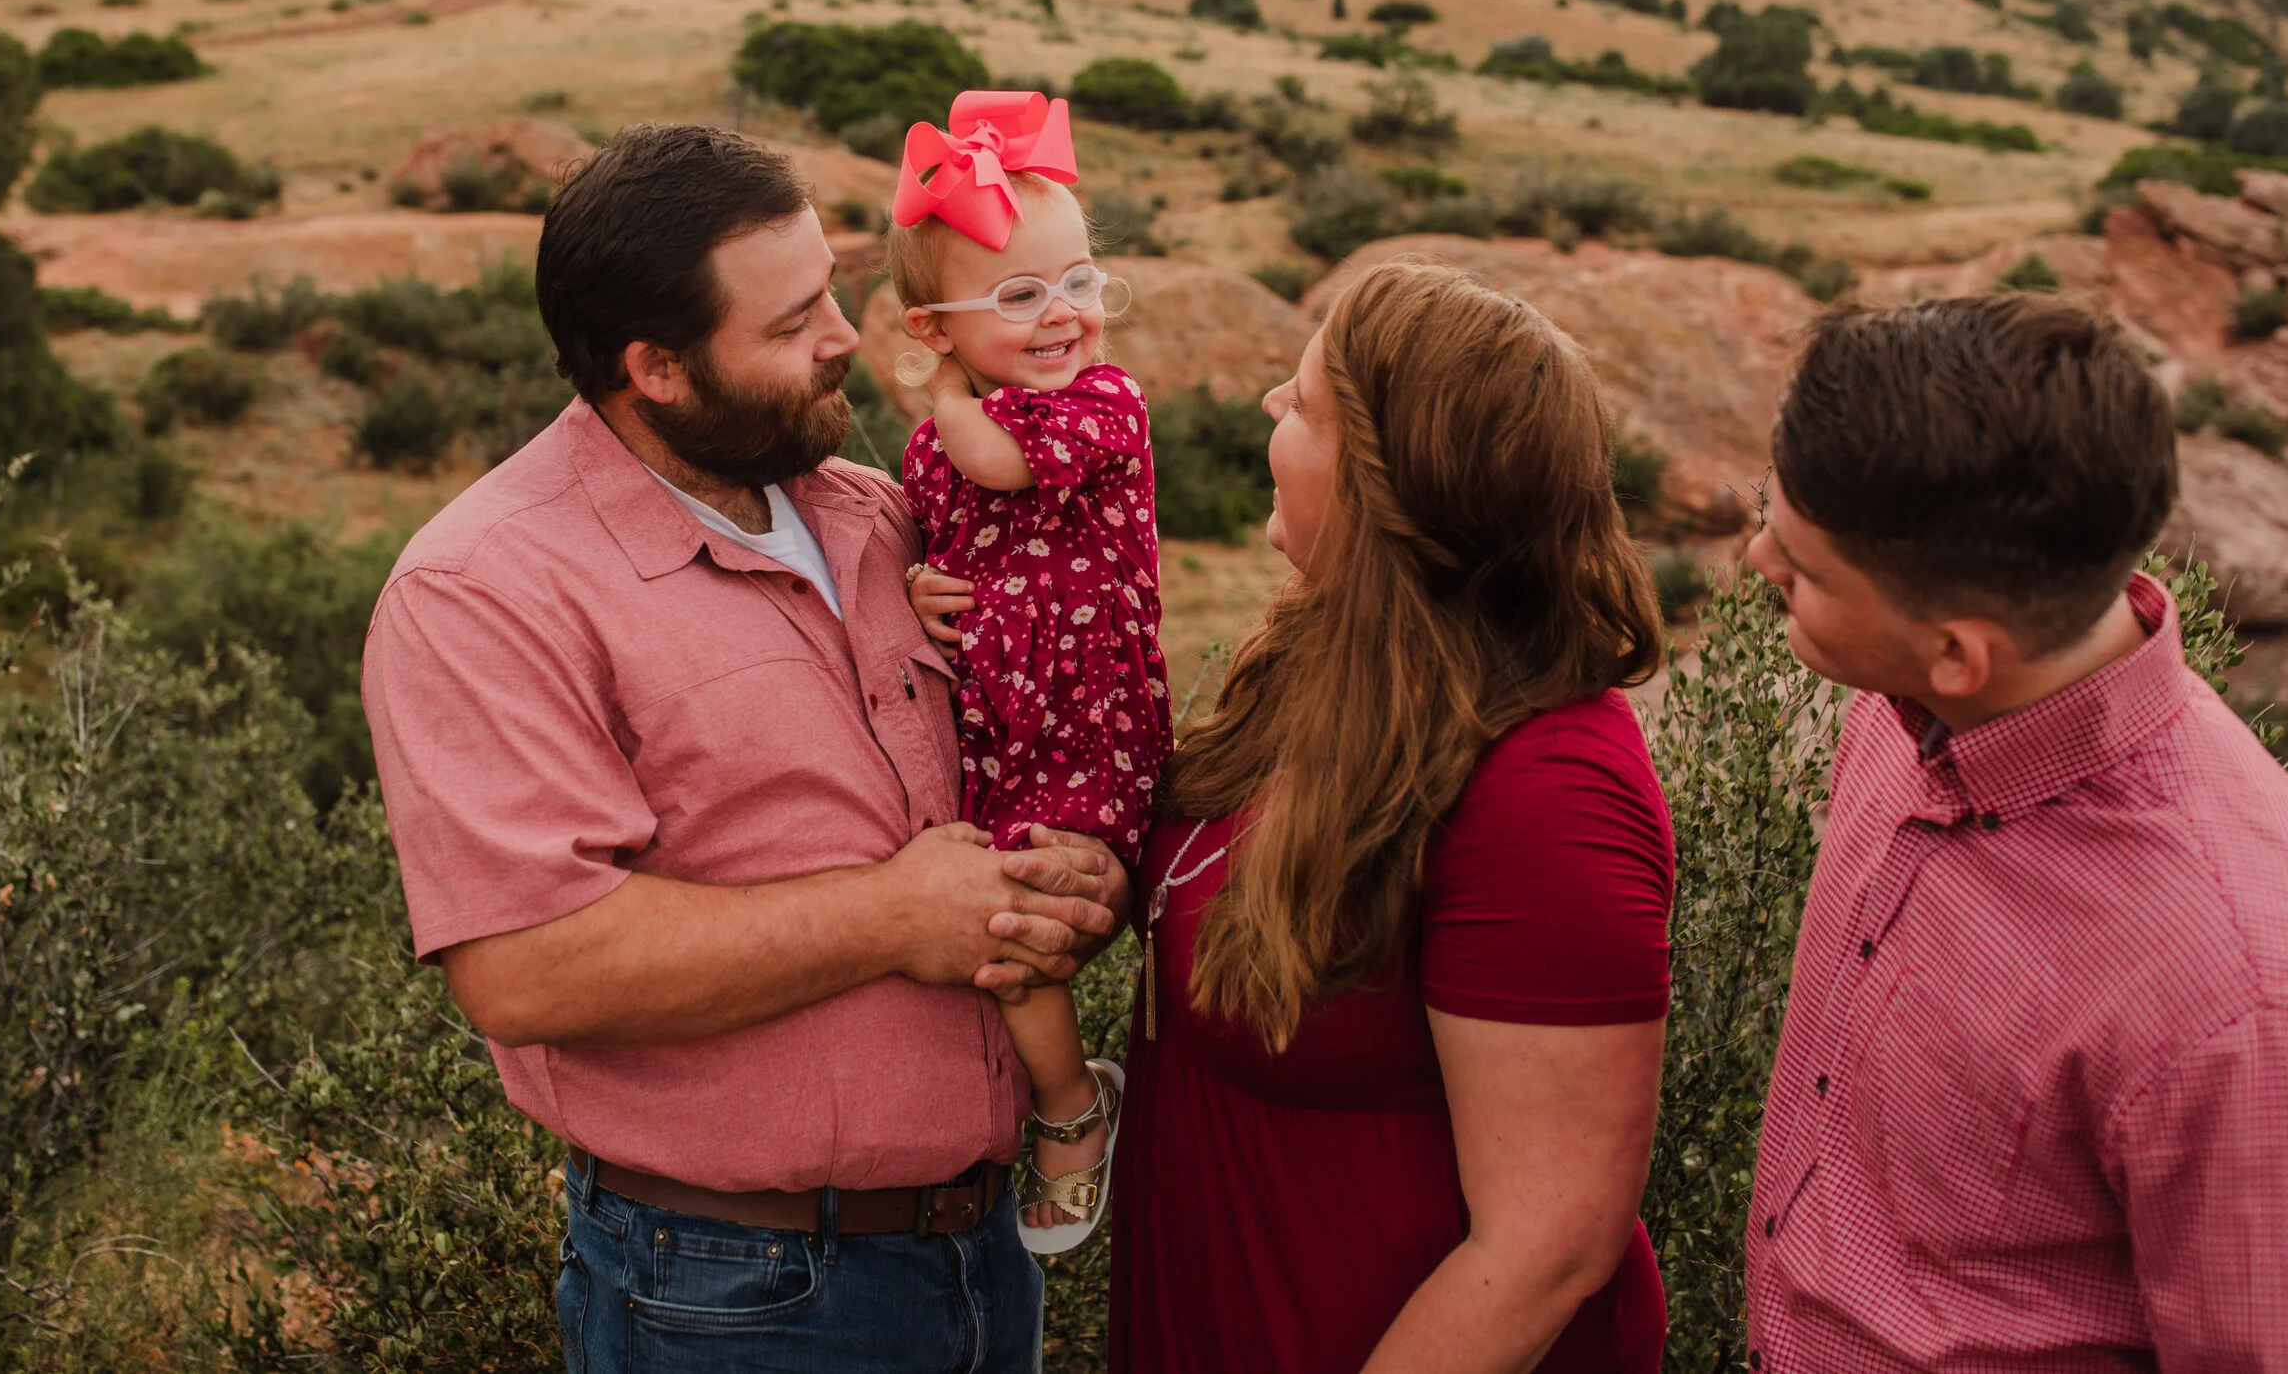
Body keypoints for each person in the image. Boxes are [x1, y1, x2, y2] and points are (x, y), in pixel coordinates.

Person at [358, 122, 1129, 1373]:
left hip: (986, 1258)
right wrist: (892, 915)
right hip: (733, 1292)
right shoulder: (484, 587)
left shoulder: (877, 513)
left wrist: (1070, 886)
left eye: (829, 289)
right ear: (655, 366)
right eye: (789, 324)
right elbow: (526, 967)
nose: (841, 335)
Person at [1744, 294, 2288, 1371]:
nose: (1759, 558)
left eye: (1802, 568)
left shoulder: (2259, 1001)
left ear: (1960, 652)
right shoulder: (1901, 713)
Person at [1108, 260, 1675, 1374]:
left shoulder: (1546, 785)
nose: (1271, 405)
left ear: (1381, 482)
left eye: (1306, 402)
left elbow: (1549, 1244)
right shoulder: (1323, 662)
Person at [888, 92, 1172, 1250]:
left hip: (1088, 718)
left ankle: (1069, 1108)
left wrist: (949, 391)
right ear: (933, 323)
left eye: (1080, 282)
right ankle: (1050, 1094)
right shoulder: (927, 447)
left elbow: (997, 462)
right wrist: (920, 592)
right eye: (1018, 296)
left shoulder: (1101, 403)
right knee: (997, 923)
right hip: (999, 728)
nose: (1063, 316)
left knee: (1012, 930)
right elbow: (936, 539)